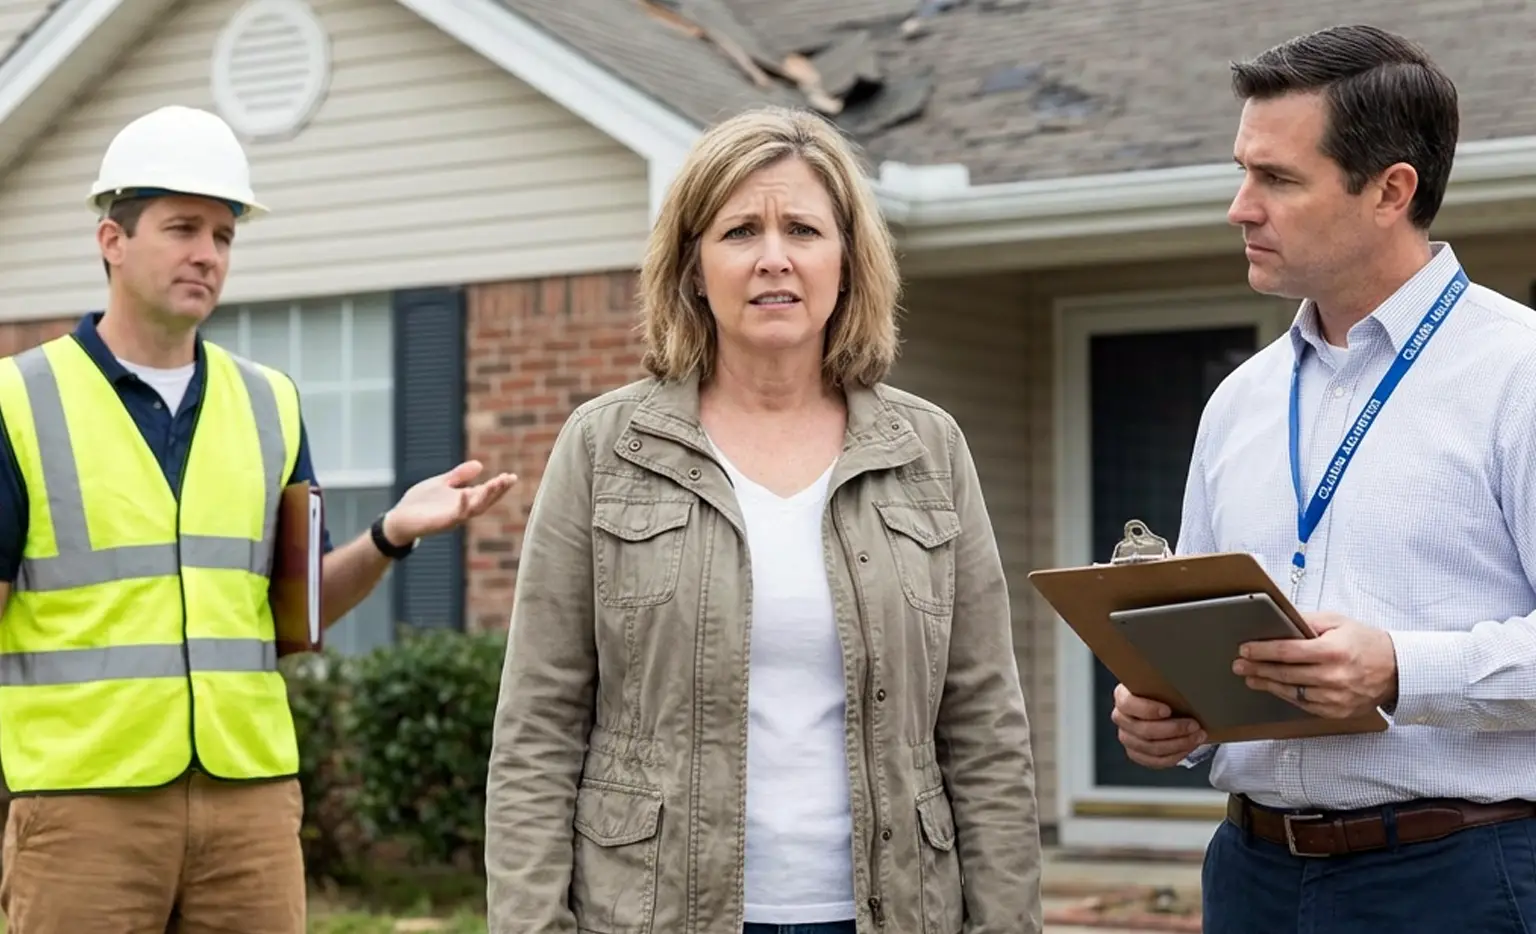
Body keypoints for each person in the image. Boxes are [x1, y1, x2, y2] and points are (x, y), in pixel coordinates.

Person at [484, 104, 1042, 934]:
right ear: (692, 267)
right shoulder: (605, 448)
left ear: (847, 262)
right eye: (741, 231)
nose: (774, 257)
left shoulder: (928, 450)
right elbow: (539, 727)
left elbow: (985, 726)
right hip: (654, 914)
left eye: (804, 231)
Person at [0, 104, 517, 934]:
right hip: (82, 808)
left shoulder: (269, 402)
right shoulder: (18, 401)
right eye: (182, 229)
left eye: (223, 235)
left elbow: (292, 614)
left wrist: (390, 534)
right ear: (112, 240)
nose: (207, 253)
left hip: (250, 804)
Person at [1109, 23, 1536, 933]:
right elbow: (1199, 629)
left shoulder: (1520, 374)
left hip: (1461, 881)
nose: (1240, 207)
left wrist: (1401, 670)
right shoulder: (1239, 400)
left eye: (1278, 179)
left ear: (1390, 191)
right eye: (1243, 171)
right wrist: (1172, 716)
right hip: (1250, 876)